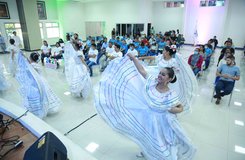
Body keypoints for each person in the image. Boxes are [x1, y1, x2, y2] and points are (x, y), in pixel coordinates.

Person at [94, 54, 196, 160]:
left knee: (158, 139)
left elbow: (180, 108)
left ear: (169, 79)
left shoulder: (170, 94)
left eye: (164, 75)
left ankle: (157, 154)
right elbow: (142, 70)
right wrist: (133, 59)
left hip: (159, 122)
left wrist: (172, 109)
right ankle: (145, 151)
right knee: (145, 137)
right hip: (146, 118)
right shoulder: (152, 82)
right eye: (160, 73)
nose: (160, 75)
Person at [16, 51, 61, 119]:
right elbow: (29, 63)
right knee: (45, 94)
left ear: (31, 58)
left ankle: (39, 110)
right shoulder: (36, 64)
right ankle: (47, 107)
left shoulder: (31, 66)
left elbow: (28, 66)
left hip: (35, 83)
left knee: (38, 96)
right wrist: (25, 57)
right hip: (41, 81)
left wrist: (23, 59)